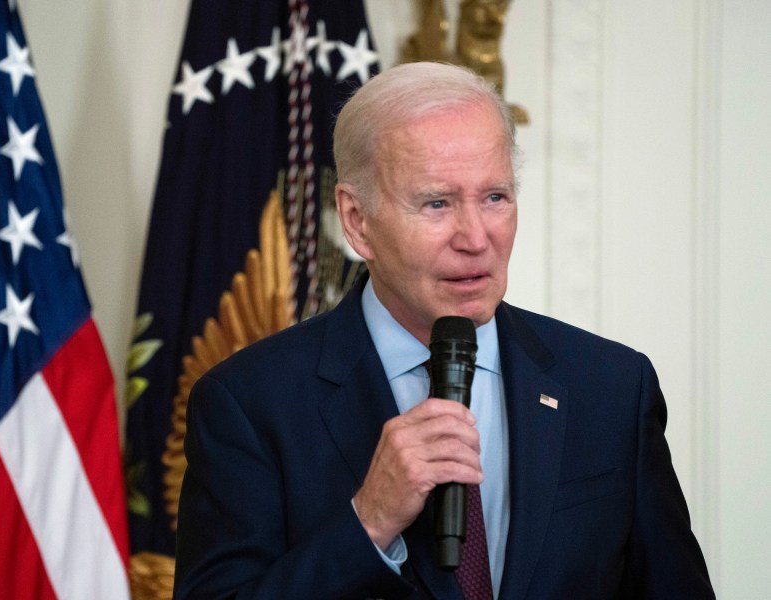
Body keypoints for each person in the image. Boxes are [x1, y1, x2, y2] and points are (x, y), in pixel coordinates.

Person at [173, 62, 714, 599]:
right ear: (357, 220)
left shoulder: (611, 387)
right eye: (437, 203)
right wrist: (369, 522)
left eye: (495, 197)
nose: (476, 238)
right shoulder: (248, 403)